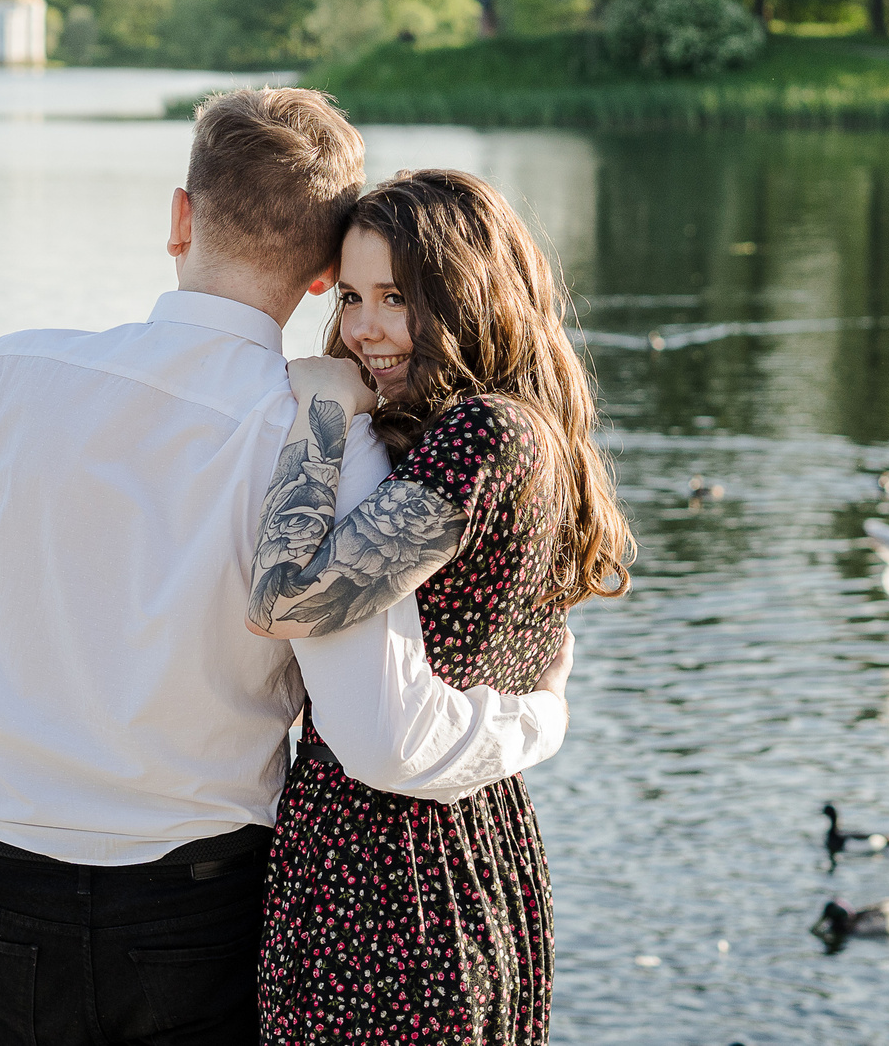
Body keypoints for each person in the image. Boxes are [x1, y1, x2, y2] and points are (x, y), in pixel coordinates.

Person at [0, 90, 574, 1046]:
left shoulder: (15, 375)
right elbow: (378, 727)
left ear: (181, 216)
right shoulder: (329, 441)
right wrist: (534, 717)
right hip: (197, 904)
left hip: (3, 884)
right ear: (324, 277)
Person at [245, 168, 634, 1045]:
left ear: (467, 293)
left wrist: (324, 408)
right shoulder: (519, 431)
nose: (363, 328)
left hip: (392, 878)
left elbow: (281, 597)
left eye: (397, 296)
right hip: (466, 843)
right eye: (351, 297)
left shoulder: (482, 434)